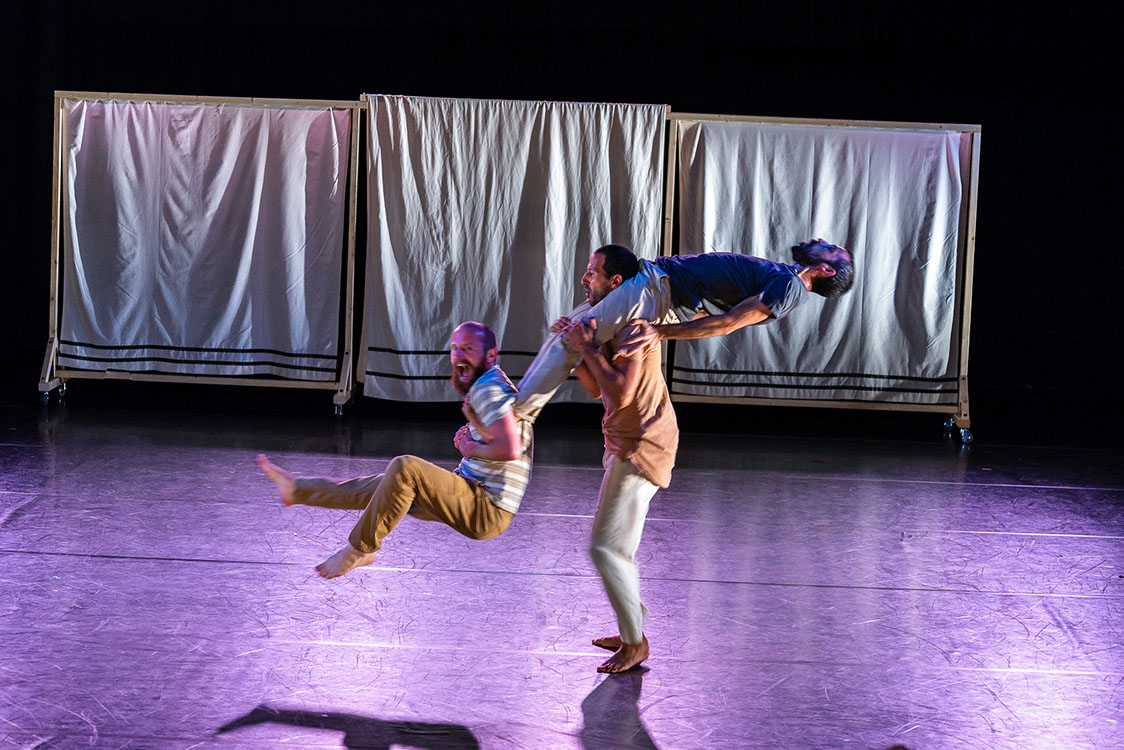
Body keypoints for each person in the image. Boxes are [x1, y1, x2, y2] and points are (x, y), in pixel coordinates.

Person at [259, 321, 532, 579]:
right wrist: (475, 432)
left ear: (491, 355)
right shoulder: (492, 383)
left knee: (406, 468)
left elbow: (510, 450)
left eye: (468, 348)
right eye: (454, 348)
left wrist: (469, 446)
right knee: (387, 485)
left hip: (486, 508)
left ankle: (360, 549)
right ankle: (296, 490)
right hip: (472, 493)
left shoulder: (488, 389)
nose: (458, 355)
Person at [515, 239, 854, 420]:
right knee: (566, 333)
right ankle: (516, 407)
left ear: (825, 269)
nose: (821, 241)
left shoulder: (791, 288)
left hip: (658, 290)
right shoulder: (783, 277)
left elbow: (729, 323)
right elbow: (716, 307)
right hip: (655, 281)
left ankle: (514, 417)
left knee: (572, 339)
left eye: (830, 249)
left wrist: (659, 331)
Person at [556, 244, 679, 673]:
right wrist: (573, 349)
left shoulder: (633, 325)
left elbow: (621, 393)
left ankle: (635, 643)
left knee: (605, 548)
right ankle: (632, 626)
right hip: (623, 441)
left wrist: (587, 348)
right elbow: (597, 389)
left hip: (643, 445)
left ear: (615, 282)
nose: (584, 279)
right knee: (616, 546)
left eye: (592, 273)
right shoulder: (609, 321)